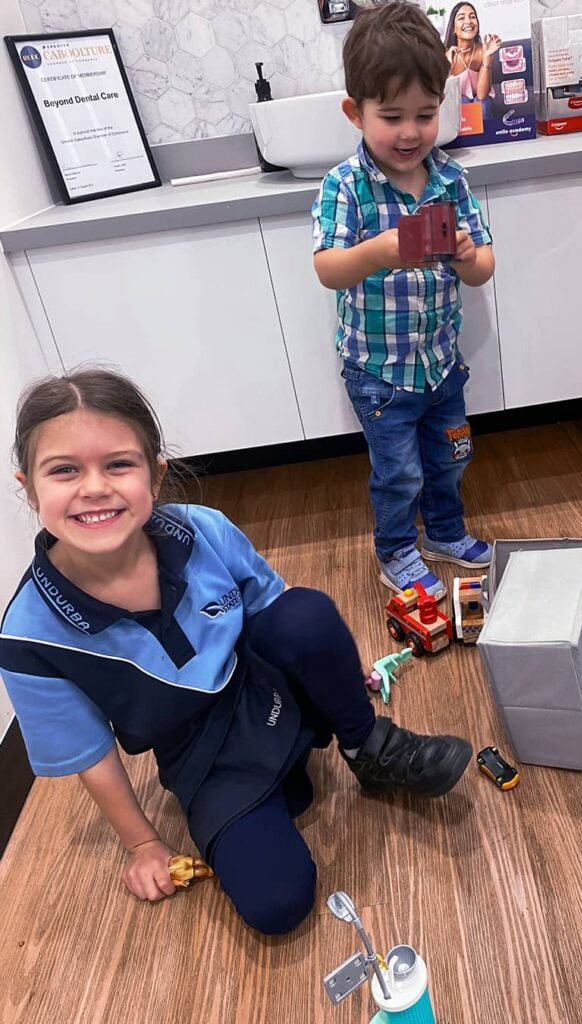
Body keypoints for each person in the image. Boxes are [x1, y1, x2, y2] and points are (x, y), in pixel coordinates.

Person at [0, 368, 473, 934]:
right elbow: (89, 755)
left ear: (156, 473)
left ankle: (369, 746)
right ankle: (275, 787)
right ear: (29, 487)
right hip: (203, 758)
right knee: (277, 904)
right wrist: (144, 843)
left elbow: (282, 620)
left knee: (306, 611)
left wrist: (339, 683)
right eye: (65, 470)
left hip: (266, 688)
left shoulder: (202, 529)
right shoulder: (28, 636)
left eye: (118, 464)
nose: (95, 487)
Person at [312, 1, 496, 601]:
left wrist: (468, 254)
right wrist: (382, 250)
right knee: (398, 473)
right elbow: (327, 268)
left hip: (442, 365)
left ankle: (444, 532)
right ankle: (396, 549)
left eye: (425, 113)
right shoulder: (346, 185)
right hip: (378, 373)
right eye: (391, 116)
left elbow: (484, 268)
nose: (411, 131)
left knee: (450, 458)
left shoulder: (450, 179)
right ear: (354, 112)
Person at [444, 1, 501, 119]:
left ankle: (485, 137)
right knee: (462, 101)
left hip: (481, 100)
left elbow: (481, 95)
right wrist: (448, 69)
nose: (468, 21)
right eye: (461, 18)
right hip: (457, 102)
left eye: (472, 17)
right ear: (453, 28)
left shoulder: (483, 50)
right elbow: (447, 97)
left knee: (482, 104)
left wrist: (487, 60)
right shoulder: (446, 55)